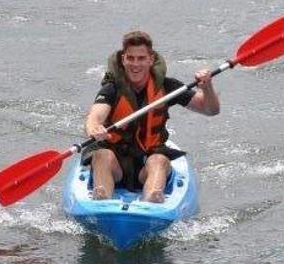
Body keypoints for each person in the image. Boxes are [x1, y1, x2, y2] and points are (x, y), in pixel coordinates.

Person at [83, 30, 221, 203]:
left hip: (148, 162)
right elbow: (94, 117)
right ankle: (101, 199)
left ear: (151, 59)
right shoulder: (111, 89)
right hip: (115, 164)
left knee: (159, 160)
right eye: (130, 58)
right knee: (101, 155)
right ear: (123, 59)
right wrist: (94, 129)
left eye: (141, 58)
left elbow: (210, 110)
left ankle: (152, 200)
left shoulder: (168, 87)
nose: (135, 64)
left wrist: (207, 87)